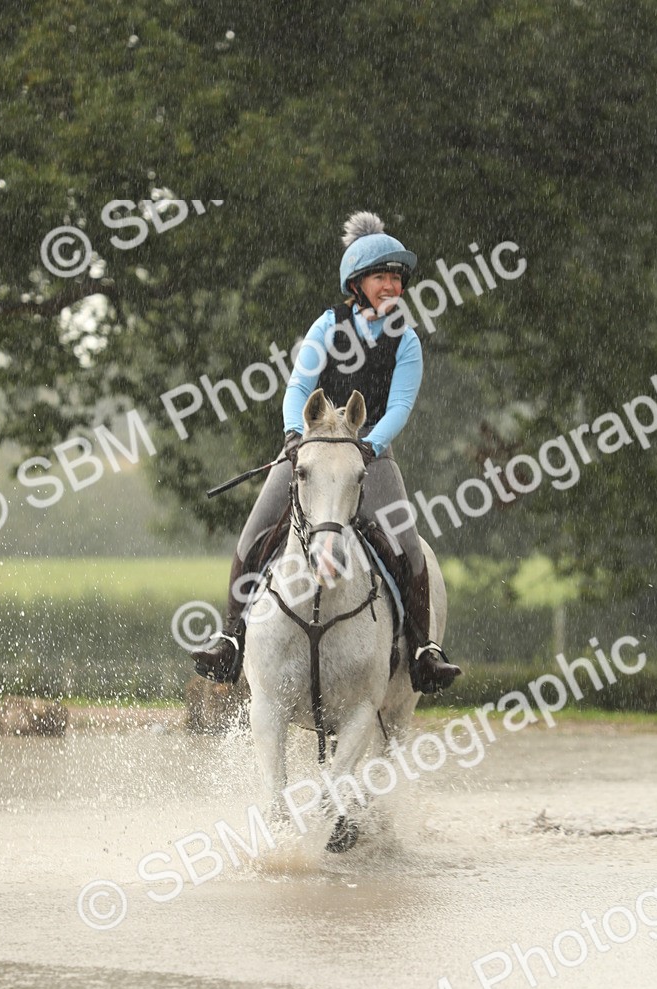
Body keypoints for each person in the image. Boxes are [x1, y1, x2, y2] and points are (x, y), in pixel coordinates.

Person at [192, 211, 461, 694]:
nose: (393, 286)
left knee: (410, 548)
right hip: (311, 447)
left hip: (370, 453)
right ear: (357, 282)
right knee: (255, 533)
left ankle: (423, 650)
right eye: (383, 277)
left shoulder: (408, 341)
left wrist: (369, 445)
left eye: (398, 278)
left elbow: (399, 405)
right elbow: (298, 388)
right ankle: (230, 639)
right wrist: (297, 436)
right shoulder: (326, 327)